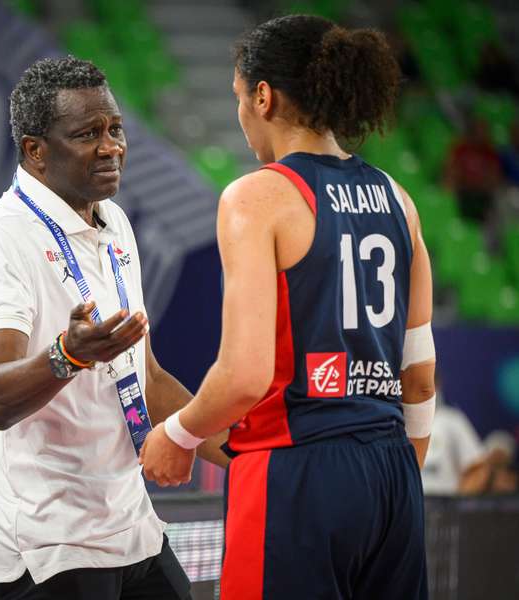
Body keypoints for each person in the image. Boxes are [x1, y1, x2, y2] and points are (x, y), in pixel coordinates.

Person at [140, 16, 436, 600]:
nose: (241, 116)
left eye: (238, 99)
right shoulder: (399, 200)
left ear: (263, 96)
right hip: (392, 473)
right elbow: (420, 373)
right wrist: (403, 473)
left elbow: (245, 374)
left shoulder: (257, 196)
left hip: (298, 472)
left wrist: (175, 433)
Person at [0, 56, 228, 600]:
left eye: (115, 128)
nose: (111, 147)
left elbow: (146, 377)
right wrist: (67, 356)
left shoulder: (114, 220)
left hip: (131, 527)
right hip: (44, 548)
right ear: (35, 151)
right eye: (87, 134)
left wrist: (251, 458)